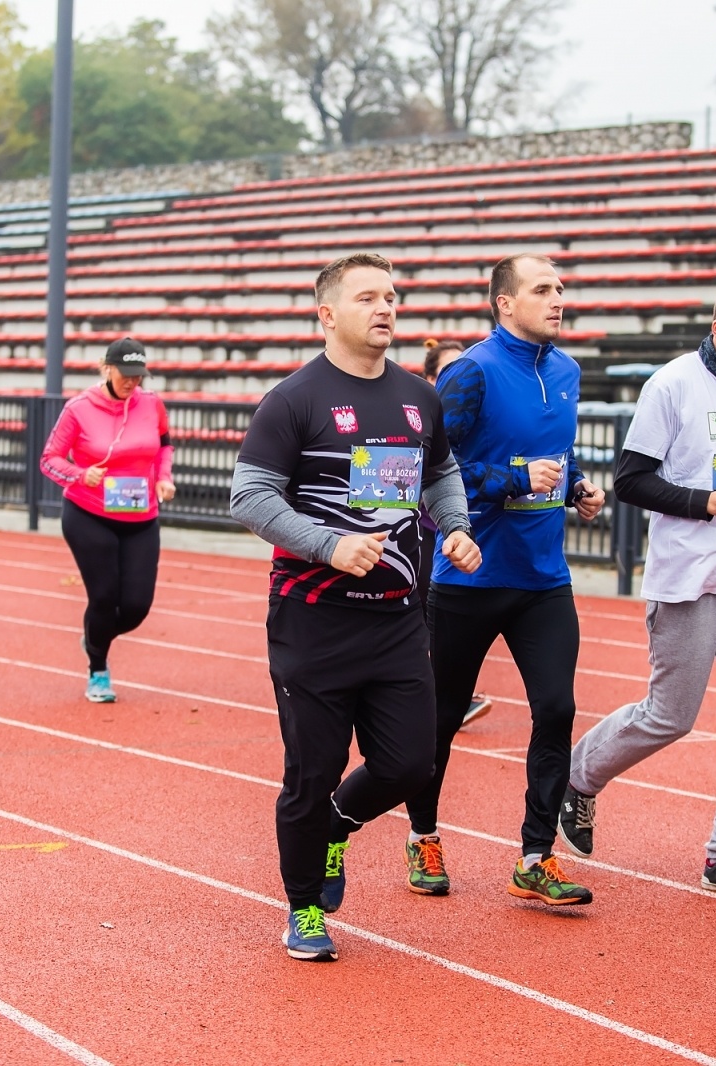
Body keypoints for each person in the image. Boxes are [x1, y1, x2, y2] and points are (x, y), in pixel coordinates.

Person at [230, 253, 479, 962]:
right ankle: (305, 907)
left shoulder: (417, 396)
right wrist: (327, 546)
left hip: (400, 615)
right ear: (327, 314)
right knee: (311, 770)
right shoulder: (294, 399)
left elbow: (441, 473)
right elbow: (249, 497)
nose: (386, 308)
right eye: (368, 297)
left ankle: (338, 825)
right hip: (315, 620)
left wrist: (455, 527)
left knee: (410, 766)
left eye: (392, 296)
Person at [559, 277, 716, 901]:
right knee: (670, 716)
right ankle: (580, 777)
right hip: (688, 577)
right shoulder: (670, 385)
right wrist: (705, 503)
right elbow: (630, 482)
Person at [401, 257, 605, 905]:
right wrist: (517, 481)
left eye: (561, 289)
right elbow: (434, 466)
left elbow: (554, 457)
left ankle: (536, 855)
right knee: (439, 720)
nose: (557, 299)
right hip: (470, 577)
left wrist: (576, 488)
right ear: (504, 303)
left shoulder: (567, 370)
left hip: (544, 578)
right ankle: (424, 834)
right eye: (542, 290)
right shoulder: (471, 371)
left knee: (557, 709)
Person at [40, 338, 175, 702]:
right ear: (107, 369)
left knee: (135, 607)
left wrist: (164, 477)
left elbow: (164, 445)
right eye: (126, 374)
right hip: (89, 514)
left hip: (140, 515)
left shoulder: (152, 405)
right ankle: (97, 669)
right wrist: (81, 474)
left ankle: (94, 637)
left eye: (139, 375)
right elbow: (50, 458)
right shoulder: (78, 408)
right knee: (103, 597)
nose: (133, 382)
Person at [420, 337, 491, 728]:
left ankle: (443, 696)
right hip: (418, 531)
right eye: (448, 373)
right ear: (431, 378)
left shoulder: (475, 416)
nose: (459, 382)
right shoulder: (414, 411)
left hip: (455, 531)